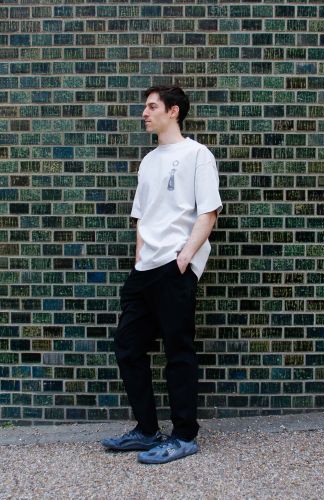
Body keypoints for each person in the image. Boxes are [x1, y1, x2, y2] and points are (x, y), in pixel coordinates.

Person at [101, 85, 222, 464]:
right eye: (145, 107)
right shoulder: (149, 161)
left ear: (173, 111)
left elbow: (209, 213)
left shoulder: (197, 155)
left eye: (152, 106)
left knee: (178, 352)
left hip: (174, 267)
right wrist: (140, 256)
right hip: (144, 270)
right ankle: (147, 430)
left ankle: (184, 436)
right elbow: (142, 215)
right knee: (128, 347)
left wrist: (184, 258)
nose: (144, 113)